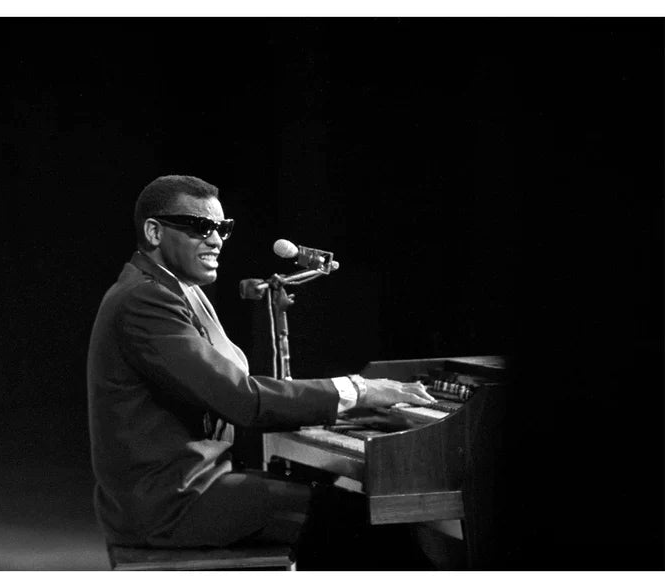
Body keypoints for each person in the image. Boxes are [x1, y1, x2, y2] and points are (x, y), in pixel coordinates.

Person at [86, 175, 435, 564]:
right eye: (200, 227)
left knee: (355, 510)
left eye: (223, 228)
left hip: (188, 487)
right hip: (171, 504)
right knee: (368, 524)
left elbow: (232, 389)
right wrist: (359, 390)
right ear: (154, 231)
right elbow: (240, 397)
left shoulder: (177, 289)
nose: (216, 240)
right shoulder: (145, 299)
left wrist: (342, 409)